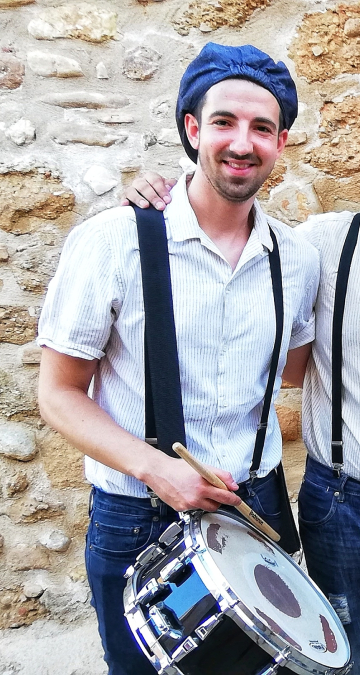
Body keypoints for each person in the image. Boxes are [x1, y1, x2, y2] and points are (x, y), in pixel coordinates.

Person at [122, 85, 360, 675]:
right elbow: (232, 231)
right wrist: (161, 192)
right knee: (354, 669)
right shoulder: (321, 245)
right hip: (343, 510)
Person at [37, 43, 319, 675]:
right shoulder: (114, 240)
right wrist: (155, 469)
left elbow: (295, 368)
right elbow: (57, 393)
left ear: (280, 143)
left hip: (255, 506)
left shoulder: (295, 258)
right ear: (192, 130)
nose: (242, 143)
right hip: (138, 516)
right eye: (224, 122)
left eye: (262, 128)